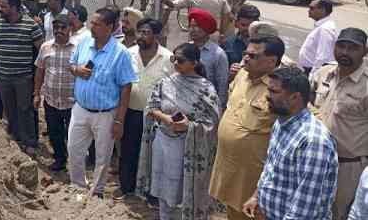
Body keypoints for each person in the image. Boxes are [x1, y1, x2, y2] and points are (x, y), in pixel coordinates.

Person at [137, 43, 220, 220]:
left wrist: (188, 126)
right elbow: (151, 106)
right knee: (162, 186)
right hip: (162, 141)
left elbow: (212, 122)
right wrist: (166, 119)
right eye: (173, 59)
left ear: (194, 63)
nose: (175, 63)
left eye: (180, 60)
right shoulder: (166, 82)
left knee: (180, 189)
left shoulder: (206, 89)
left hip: (187, 147)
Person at [242, 67, 338, 220]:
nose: (267, 96)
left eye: (274, 92)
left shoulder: (313, 142)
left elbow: (304, 211)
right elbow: (271, 169)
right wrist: (256, 197)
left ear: (294, 97)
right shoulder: (281, 123)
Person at [209, 35, 285, 220]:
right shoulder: (242, 75)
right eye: (246, 54)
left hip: (252, 179)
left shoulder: (281, 88)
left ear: (272, 61)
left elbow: (307, 115)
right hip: (229, 170)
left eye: (253, 55)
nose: (246, 59)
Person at [68, 8, 137, 196]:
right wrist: (77, 70)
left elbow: (126, 87)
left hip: (105, 114)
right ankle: (78, 187)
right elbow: (71, 65)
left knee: (102, 157)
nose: (92, 27)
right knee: (74, 150)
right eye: (92, 22)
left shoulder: (121, 53)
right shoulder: (83, 43)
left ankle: (96, 192)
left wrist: (119, 121)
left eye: (97, 24)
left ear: (110, 27)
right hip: (80, 109)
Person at [309, 28, 368, 220]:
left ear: (365, 52)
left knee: (338, 214)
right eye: (341, 46)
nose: (345, 52)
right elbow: (306, 104)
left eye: (352, 48)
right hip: (314, 159)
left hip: (347, 168)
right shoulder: (324, 73)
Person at [0, 0, 44, 155]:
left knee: (25, 109)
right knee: (10, 109)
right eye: (0, 6)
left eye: (4, 6)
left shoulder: (30, 25)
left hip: (23, 77)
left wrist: (40, 74)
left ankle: (30, 142)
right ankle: (16, 138)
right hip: (3, 76)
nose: (0, 9)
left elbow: (42, 50)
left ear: (14, 7)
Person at [121, 18, 173, 197]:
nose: (141, 36)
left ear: (156, 36)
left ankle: (150, 191)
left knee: (153, 154)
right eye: (139, 32)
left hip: (155, 116)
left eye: (146, 33)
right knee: (129, 150)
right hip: (131, 111)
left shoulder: (168, 58)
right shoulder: (128, 53)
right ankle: (127, 187)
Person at [34, 14, 77, 172]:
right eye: (56, 27)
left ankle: (75, 163)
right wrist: (37, 93)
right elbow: (40, 71)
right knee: (54, 132)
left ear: (70, 29)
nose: (59, 31)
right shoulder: (46, 47)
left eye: (63, 28)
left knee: (72, 135)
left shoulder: (79, 48)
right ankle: (60, 159)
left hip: (72, 101)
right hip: (51, 100)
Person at [188, 8, 229, 106]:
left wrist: (219, 109)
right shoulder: (186, 48)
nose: (192, 29)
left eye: (196, 26)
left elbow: (222, 85)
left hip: (206, 105)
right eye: (191, 26)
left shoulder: (218, 54)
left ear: (206, 29)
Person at [299, 0, 337, 77]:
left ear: (322, 10)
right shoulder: (322, 26)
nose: (308, 10)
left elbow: (323, 57)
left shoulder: (325, 29)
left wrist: (313, 77)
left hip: (313, 73)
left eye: (312, 8)